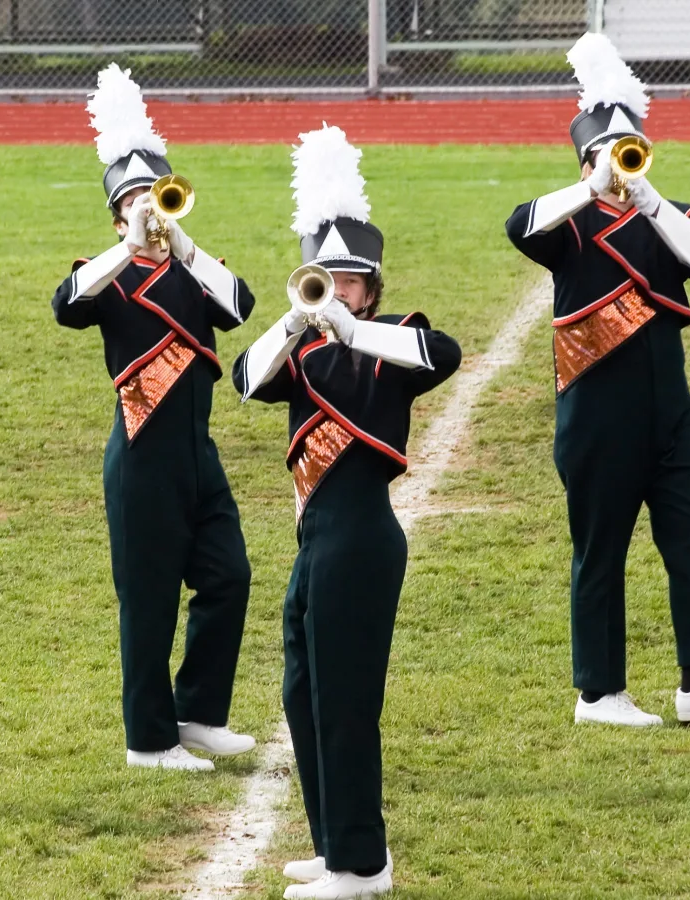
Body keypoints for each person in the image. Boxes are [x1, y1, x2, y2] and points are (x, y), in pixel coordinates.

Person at [505, 33, 690, 727]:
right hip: (596, 412)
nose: (617, 166)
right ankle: (598, 692)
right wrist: (588, 187)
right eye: (605, 154)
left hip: (670, 410)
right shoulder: (572, 225)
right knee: (601, 550)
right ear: (585, 159)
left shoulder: (662, 218)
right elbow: (518, 226)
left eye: (626, 153)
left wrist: (647, 197)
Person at [233, 124, 461, 899]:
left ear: (372, 286)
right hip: (314, 542)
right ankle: (337, 842)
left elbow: (446, 354)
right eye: (324, 276)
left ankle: (360, 867)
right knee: (304, 693)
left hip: (362, 537)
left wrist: (353, 328)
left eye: (351, 280)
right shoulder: (299, 352)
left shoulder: (391, 339)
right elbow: (243, 377)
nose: (337, 288)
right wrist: (296, 321)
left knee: (345, 701)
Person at [51, 65, 257, 771]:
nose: (149, 208)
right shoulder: (109, 277)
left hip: (198, 456)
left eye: (156, 195)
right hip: (140, 458)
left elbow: (242, 305)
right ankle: (148, 740)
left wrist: (184, 245)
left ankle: (197, 711)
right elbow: (66, 302)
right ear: (115, 215)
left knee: (229, 576)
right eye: (134, 200)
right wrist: (127, 244)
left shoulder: (195, 272)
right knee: (148, 602)